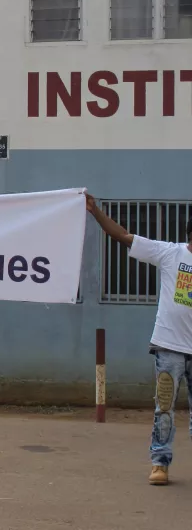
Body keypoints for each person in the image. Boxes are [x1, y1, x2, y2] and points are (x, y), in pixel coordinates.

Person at [87, 192, 192, 486]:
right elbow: (122, 236)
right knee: (165, 408)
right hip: (170, 347)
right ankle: (160, 463)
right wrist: (96, 211)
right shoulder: (170, 253)